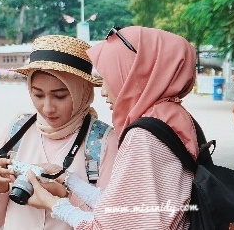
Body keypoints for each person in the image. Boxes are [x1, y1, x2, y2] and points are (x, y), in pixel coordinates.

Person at [25, 26, 199, 229]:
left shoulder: (143, 136)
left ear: (136, 74)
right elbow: (126, 209)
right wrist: (69, 180)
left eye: (109, 78)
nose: (104, 91)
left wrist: (54, 204)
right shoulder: (174, 117)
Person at [0, 35, 118, 230]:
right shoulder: (17, 131)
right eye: (38, 94)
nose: (47, 108)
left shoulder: (102, 141)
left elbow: (111, 220)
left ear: (83, 91)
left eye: (60, 96)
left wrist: (65, 195)